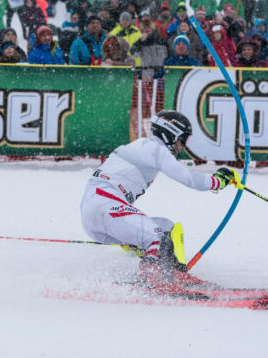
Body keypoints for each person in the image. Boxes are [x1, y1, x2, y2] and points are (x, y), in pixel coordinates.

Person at [79, 110, 238, 282]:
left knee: (166, 229)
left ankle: (170, 272)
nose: (183, 146)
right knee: (159, 238)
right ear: (171, 134)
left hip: (96, 212)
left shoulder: (141, 146)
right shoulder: (155, 150)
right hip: (106, 206)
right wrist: (219, 181)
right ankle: (152, 278)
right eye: (183, 139)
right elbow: (189, 179)